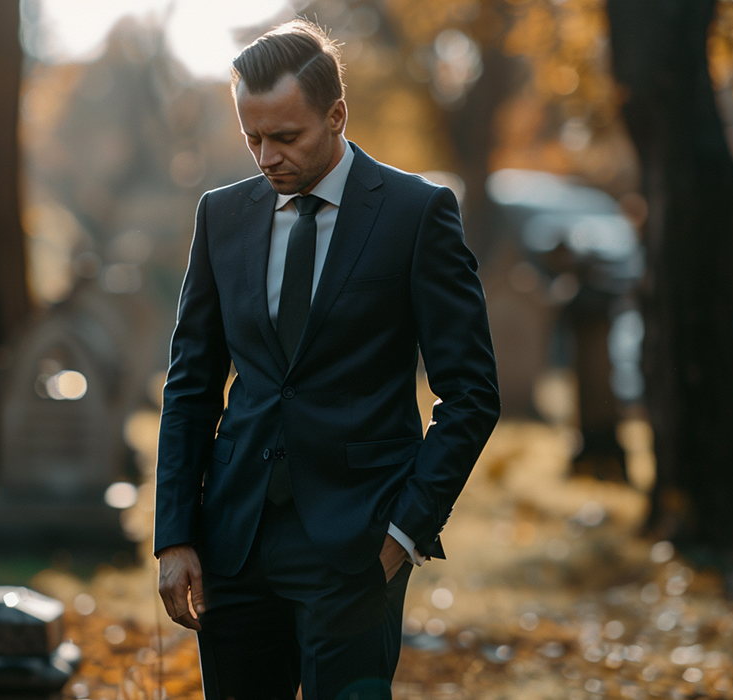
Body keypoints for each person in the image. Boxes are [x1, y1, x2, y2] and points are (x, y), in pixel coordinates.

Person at [153, 18, 500, 700]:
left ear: (337, 114)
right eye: (252, 137)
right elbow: (191, 384)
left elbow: (471, 394)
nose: (266, 156)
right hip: (233, 539)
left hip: (357, 545)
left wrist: (405, 531)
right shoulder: (219, 216)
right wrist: (174, 537)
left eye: (286, 137)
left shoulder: (416, 213)